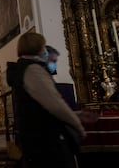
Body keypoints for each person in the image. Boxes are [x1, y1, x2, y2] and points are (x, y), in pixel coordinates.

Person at [6, 32, 97, 168]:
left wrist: (77, 115)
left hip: (37, 138)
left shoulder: (24, 68)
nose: (45, 51)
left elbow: (41, 106)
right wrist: (78, 125)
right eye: (43, 47)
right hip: (46, 141)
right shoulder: (33, 70)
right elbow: (55, 105)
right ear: (37, 48)